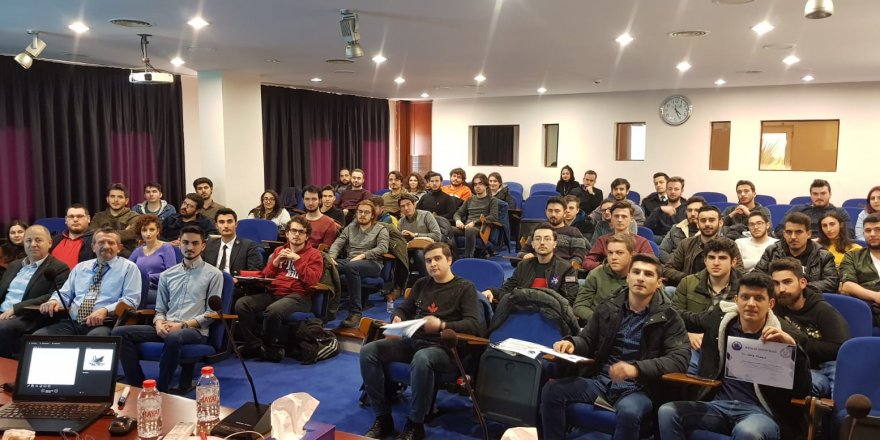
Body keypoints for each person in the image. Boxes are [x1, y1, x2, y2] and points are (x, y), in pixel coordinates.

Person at [540, 254, 689, 440]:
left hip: (640, 387)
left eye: (648, 274)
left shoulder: (669, 317)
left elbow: (679, 359)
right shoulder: (609, 306)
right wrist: (572, 344)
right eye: (636, 272)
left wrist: (636, 369)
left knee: (629, 413)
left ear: (659, 282)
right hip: (602, 380)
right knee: (552, 391)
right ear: (628, 277)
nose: (641, 278)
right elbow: (588, 339)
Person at [658, 272, 812, 440]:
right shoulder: (721, 322)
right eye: (745, 297)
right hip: (719, 405)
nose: (751, 304)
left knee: (747, 432)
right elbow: (686, 319)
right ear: (736, 300)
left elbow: (802, 391)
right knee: (667, 411)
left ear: (771, 303)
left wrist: (792, 351)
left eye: (759, 298)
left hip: (760, 413)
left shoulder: (785, 336)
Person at [360, 242, 485, 440]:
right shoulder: (421, 284)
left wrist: (442, 324)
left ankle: (415, 425)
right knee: (369, 351)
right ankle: (383, 419)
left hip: (445, 349)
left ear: (449, 260)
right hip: (414, 341)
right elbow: (404, 309)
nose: (432, 264)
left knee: (422, 358)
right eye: (428, 261)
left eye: (437, 259)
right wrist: (398, 318)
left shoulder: (465, 288)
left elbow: (474, 326)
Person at [112, 225, 223, 392]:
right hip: (167, 326)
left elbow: (212, 313)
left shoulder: (214, 274)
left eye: (195, 243)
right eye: (185, 242)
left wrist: (182, 325)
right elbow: (160, 309)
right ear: (179, 244)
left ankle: (162, 390)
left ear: (203, 246)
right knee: (119, 332)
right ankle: (138, 385)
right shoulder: (167, 274)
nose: (190, 247)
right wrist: (159, 323)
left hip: (195, 330)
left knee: (174, 337)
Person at [236, 216, 324, 362]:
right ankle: (255, 345)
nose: (297, 234)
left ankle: (267, 346)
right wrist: (275, 262)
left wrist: (297, 260)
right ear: (287, 233)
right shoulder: (279, 251)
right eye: (293, 231)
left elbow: (312, 280)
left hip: (299, 297)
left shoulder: (314, 255)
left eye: (301, 232)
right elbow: (266, 276)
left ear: (307, 236)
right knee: (242, 304)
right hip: (275, 293)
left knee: (273, 311)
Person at [35, 227, 142, 336]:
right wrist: (54, 301)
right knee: (39, 336)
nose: (106, 246)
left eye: (111, 243)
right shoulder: (80, 267)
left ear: (119, 248)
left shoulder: (129, 268)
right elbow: (65, 293)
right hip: (73, 322)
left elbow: (131, 300)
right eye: (101, 242)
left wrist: (105, 310)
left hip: (105, 323)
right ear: (93, 247)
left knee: (94, 338)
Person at [771, 257, 849, 397]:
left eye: (787, 282)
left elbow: (839, 348)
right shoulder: (774, 308)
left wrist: (797, 343)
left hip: (826, 365)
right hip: (793, 364)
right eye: (776, 284)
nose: (781, 289)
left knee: (839, 388)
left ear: (802, 283)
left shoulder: (823, 310)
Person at [672, 238, 742, 373]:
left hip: (728, 347)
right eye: (711, 257)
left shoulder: (744, 288)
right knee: (687, 364)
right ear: (705, 260)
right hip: (694, 344)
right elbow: (673, 317)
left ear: (733, 262)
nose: (716, 263)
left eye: (722, 258)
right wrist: (688, 334)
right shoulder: (688, 282)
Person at [0, 225, 70, 358]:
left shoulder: (59, 268)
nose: (33, 244)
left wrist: (17, 309)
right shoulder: (15, 265)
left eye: (38, 240)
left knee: (2, 327)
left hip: (28, 316)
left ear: (50, 243)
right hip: (3, 312)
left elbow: (53, 296)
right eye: (28, 240)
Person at [328, 200, 390, 328]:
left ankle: (355, 312)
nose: (362, 215)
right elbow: (338, 243)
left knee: (352, 267)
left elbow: (383, 248)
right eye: (360, 212)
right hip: (351, 260)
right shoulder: (350, 228)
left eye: (366, 212)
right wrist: (331, 257)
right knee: (327, 265)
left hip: (372, 263)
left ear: (372, 215)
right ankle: (328, 309)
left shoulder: (381, 229)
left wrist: (363, 256)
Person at [484, 223, 579, 304]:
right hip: (521, 311)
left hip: (551, 314)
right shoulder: (523, 265)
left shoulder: (566, 269)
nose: (542, 243)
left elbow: (569, 299)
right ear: (532, 244)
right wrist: (492, 292)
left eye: (547, 239)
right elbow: (507, 289)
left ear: (555, 244)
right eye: (537, 239)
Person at [754, 212, 839, 293]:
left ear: (808, 234)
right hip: (777, 297)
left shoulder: (823, 256)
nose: (793, 237)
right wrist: (777, 285)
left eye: (798, 232)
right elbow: (756, 275)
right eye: (789, 232)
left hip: (808, 299)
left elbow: (832, 282)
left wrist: (798, 287)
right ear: (784, 234)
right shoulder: (772, 251)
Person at [663, 206, 744, 287]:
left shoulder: (730, 244)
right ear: (698, 224)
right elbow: (667, 269)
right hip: (690, 287)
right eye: (703, 220)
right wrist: (689, 279)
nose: (707, 224)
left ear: (720, 223)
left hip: (720, 288)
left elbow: (739, 271)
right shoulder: (686, 244)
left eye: (711, 220)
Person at [572, 233, 633, 324]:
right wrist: (599, 321)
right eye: (610, 253)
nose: (613, 257)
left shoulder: (639, 277)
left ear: (631, 254)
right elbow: (579, 305)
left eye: (619, 253)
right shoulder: (596, 274)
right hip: (597, 325)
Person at [204, 208, 263, 295]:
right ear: (216, 226)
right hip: (211, 285)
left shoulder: (248, 246)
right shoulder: (209, 244)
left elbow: (255, 272)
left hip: (235, 287)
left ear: (236, 224)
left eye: (229, 221)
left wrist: (238, 280)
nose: (226, 226)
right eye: (221, 222)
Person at [518, 196, 587, 269]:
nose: (553, 214)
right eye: (550, 211)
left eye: (557, 211)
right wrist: (525, 255)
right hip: (537, 269)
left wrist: (566, 267)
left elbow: (579, 257)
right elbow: (522, 252)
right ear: (546, 212)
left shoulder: (574, 232)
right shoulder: (538, 230)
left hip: (562, 270)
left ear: (564, 212)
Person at [583, 202, 654, 271]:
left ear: (631, 219)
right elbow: (587, 261)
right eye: (616, 216)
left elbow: (651, 263)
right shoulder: (602, 240)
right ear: (611, 218)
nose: (620, 220)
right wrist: (605, 267)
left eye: (624, 216)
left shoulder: (642, 242)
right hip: (607, 275)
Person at [839, 213, 880, 325]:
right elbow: (847, 285)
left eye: (878, 229)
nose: (872, 234)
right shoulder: (853, 256)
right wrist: (875, 296)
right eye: (868, 230)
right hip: (867, 307)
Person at [128, 214, 176, 307]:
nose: (148, 233)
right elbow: (127, 269)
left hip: (159, 289)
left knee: (133, 296)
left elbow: (171, 273)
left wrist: (146, 278)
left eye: (151, 229)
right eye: (144, 230)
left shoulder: (166, 247)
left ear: (157, 231)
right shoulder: (138, 250)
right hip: (139, 287)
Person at [778, 179, 851, 238]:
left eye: (823, 193)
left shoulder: (839, 212)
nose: (819, 197)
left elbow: (850, 234)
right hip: (800, 245)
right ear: (811, 195)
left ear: (830, 194)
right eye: (815, 194)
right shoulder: (797, 210)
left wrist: (821, 240)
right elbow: (779, 230)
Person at [452, 173, 499, 258]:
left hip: (482, 228)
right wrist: (458, 220)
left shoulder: (492, 200)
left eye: (480, 184)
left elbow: (493, 217)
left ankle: (468, 258)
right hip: (467, 227)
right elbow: (458, 213)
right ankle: (454, 256)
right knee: (448, 229)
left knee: (470, 230)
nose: (477, 186)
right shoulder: (469, 199)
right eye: (475, 184)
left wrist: (474, 222)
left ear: (486, 185)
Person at [397, 194, 442, 280]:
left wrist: (415, 235)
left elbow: (437, 235)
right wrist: (402, 237)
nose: (406, 208)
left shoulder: (426, 215)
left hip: (428, 247)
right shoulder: (401, 222)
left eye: (408, 204)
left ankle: (426, 282)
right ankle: (399, 285)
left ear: (414, 204)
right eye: (402, 206)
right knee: (399, 254)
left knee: (419, 253)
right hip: (409, 248)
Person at [91, 183, 141, 252]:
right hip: (102, 252)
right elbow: (93, 235)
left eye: (120, 197)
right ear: (107, 199)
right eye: (112, 196)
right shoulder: (98, 217)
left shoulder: (134, 217)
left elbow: (131, 233)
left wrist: (102, 234)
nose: (116, 200)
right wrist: (123, 233)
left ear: (126, 201)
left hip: (127, 254)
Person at [51, 204, 96, 269]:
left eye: (79, 216)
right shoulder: (54, 240)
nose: (75, 220)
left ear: (88, 219)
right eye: (71, 216)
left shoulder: (97, 241)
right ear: (66, 220)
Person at [644, 176, 686, 243]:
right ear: (666, 190)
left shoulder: (687, 209)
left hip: (678, 242)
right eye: (670, 189)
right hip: (658, 242)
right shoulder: (659, 209)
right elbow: (646, 228)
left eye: (676, 189)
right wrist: (659, 210)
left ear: (682, 190)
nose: (672, 192)